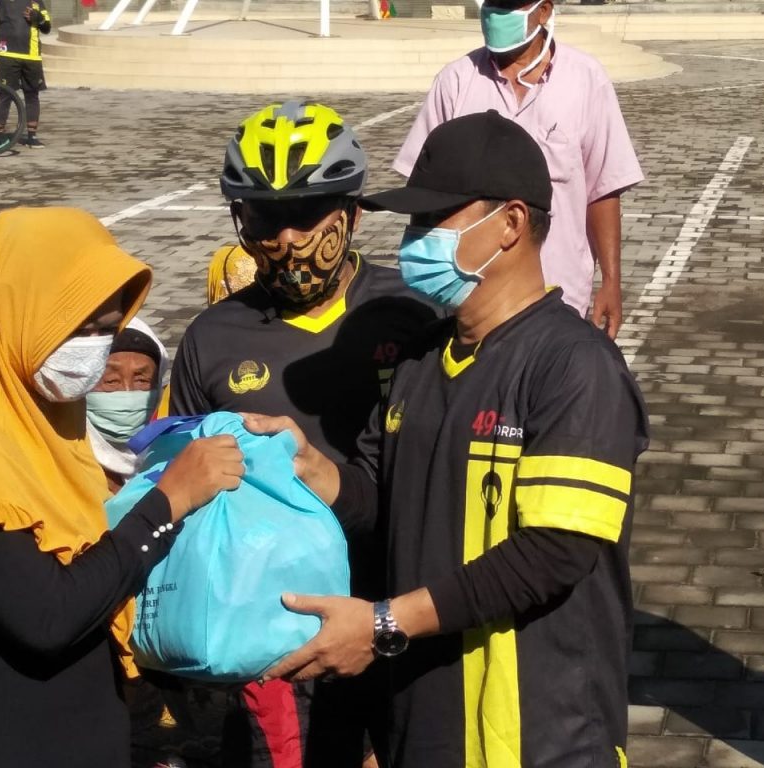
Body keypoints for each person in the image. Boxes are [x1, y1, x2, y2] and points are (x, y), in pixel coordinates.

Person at [250, 110, 649, 768]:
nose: (414, 240)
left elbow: (556, 552)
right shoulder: (419, 358)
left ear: (511, 223)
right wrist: (313, 468)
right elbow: (381, 499)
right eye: (412, 222)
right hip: (424, 724)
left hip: (539, 736)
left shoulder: (576, 365)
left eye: (433, 219)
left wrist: (384, 624)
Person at [170, 101, 438, 768]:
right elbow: (187, 504)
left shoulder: (415, 314)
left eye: (307, 213)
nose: (286, 239)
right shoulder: (210, 339)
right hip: (275, 643)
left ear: (351, 212)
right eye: (264, 219)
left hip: (404, 617)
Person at [0, 207, 245, 768]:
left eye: (106, 328)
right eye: (77, 328)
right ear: (12, 314)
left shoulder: (48, 422)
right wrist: (167, 502)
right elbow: (48, 616)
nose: (92, 348)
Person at [393, 0, 643, 340]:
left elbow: (603, 188)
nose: (497, 14)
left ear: (544, 11)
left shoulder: (586, 80)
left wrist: (611, 281)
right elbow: (422, 192)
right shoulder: (455, 81)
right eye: (492, 3)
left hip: (559, 294)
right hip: (468, 299)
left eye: (510, 5)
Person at [87, 318, 169, 493]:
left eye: (142, 380)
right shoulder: (62, 464)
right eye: (111, 381)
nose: (127, 393)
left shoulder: (170, 457)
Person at [0, 0, 51, 147]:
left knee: (32, 95)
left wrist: (38, 18)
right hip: (8, 54)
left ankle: (32, 136)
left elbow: (47, 27)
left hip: (32, 56)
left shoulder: (37, 2)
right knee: (5, 95)